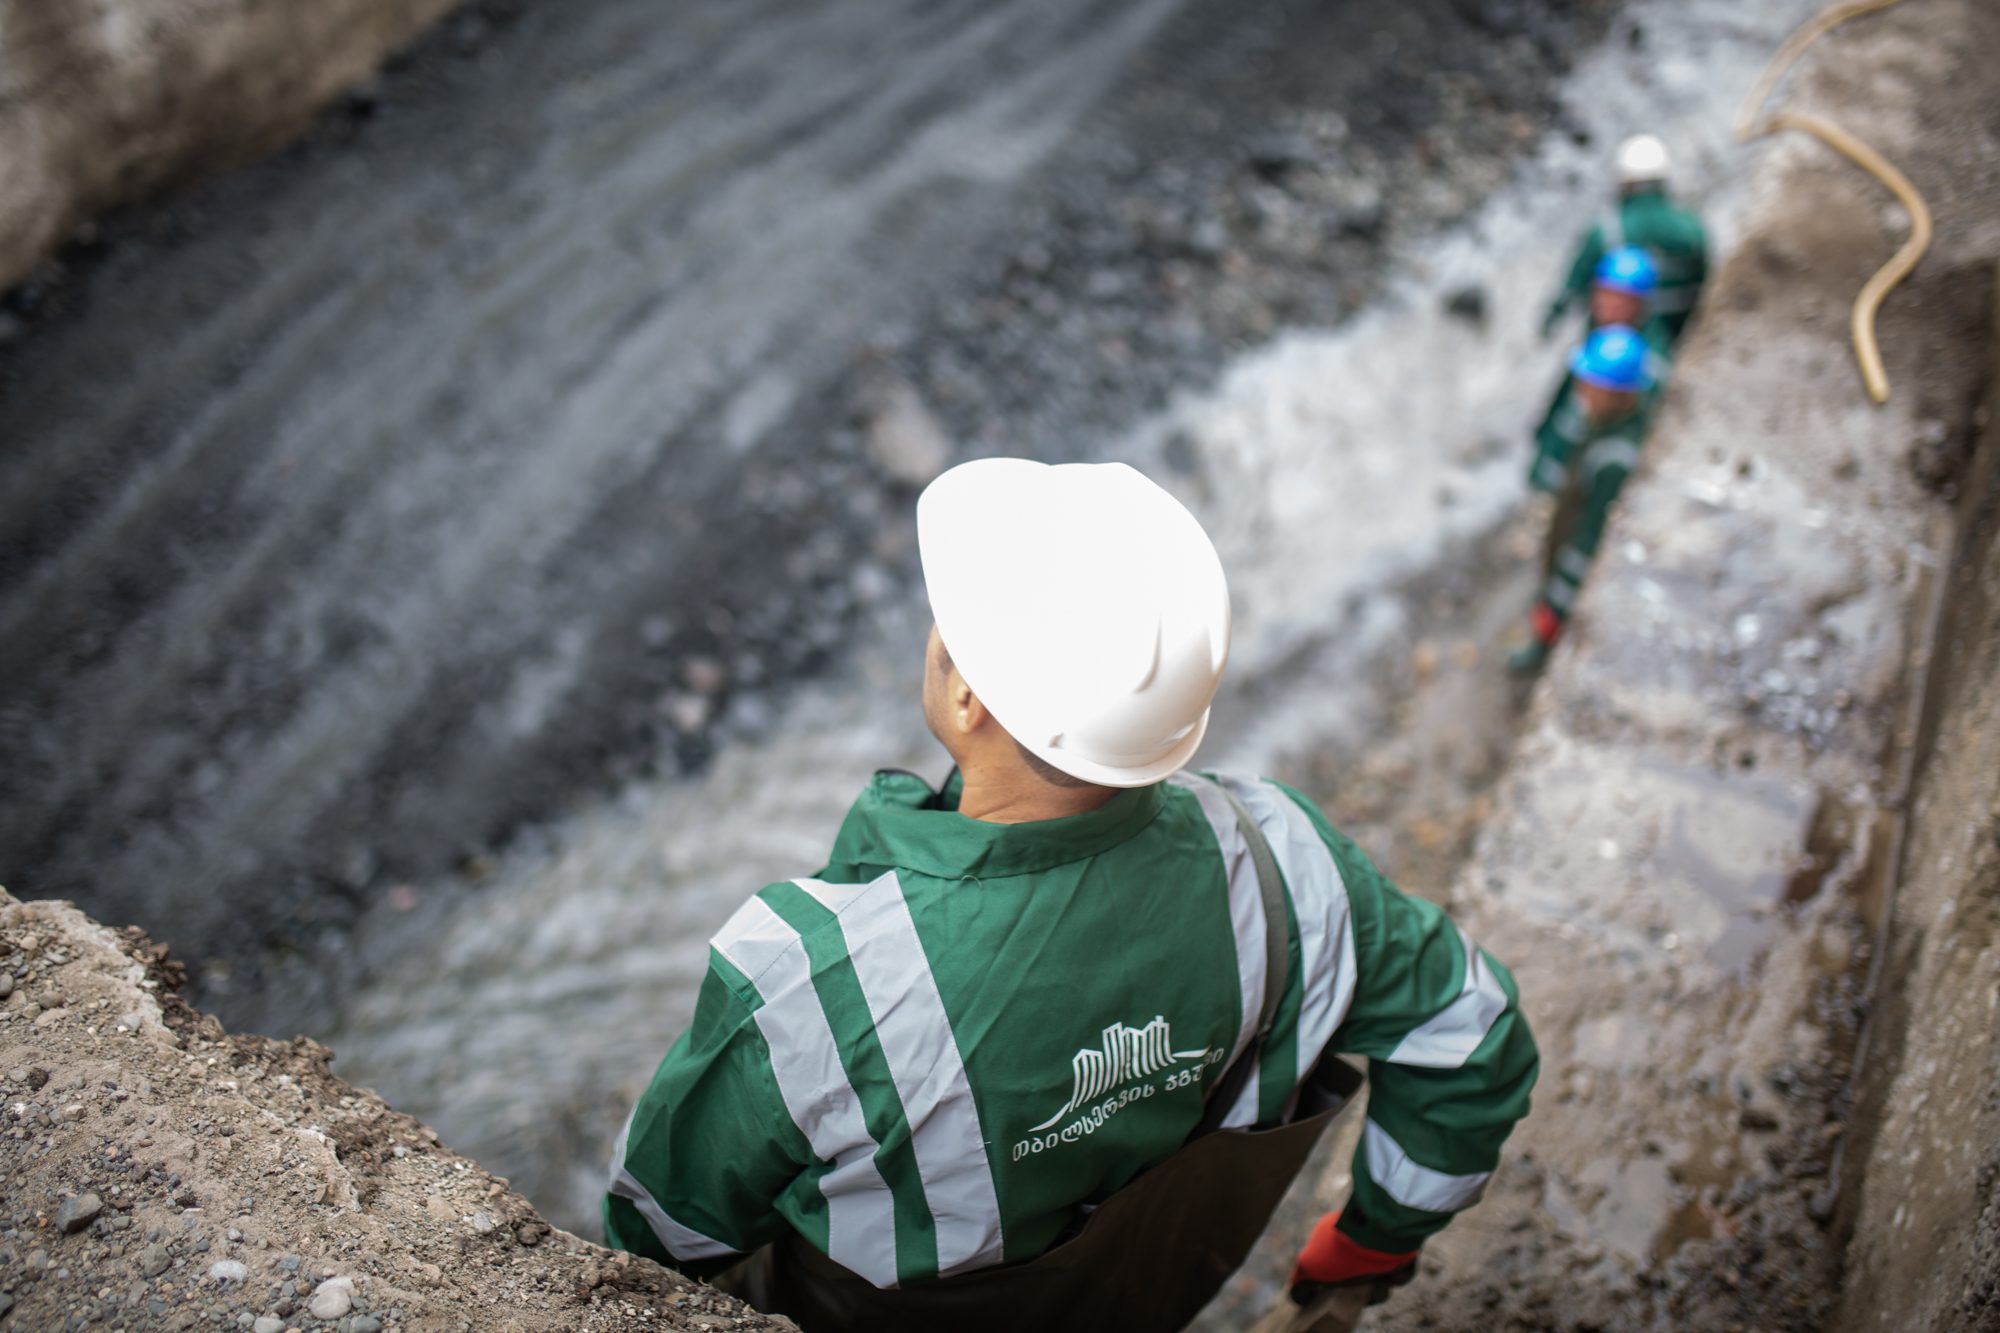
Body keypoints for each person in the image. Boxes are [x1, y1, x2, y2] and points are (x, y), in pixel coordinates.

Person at [604, 458, 1539, 1333]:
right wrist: (1376, 1236)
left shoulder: (812, 984)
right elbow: (1471, 1034)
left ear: (967, 699)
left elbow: (652, 1249)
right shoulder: (1289, 862)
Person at [1509, 325, 1659, 674]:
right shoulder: (1602, 423)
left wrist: (1557, 600)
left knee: (1556, 619)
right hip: (1568, 524)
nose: (1582, 391)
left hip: (1573, 551)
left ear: (1618, 393)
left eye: (1592, 385)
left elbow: (1588, 540)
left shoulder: (1615, 460)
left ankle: (1542, 657)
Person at [1542, 134, 1709, 346]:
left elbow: (1575, 283)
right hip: (1680, 334)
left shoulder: (1607, 231)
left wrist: (1553, 317)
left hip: (1616, 344)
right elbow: (1706, 281)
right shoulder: (1691, 226)